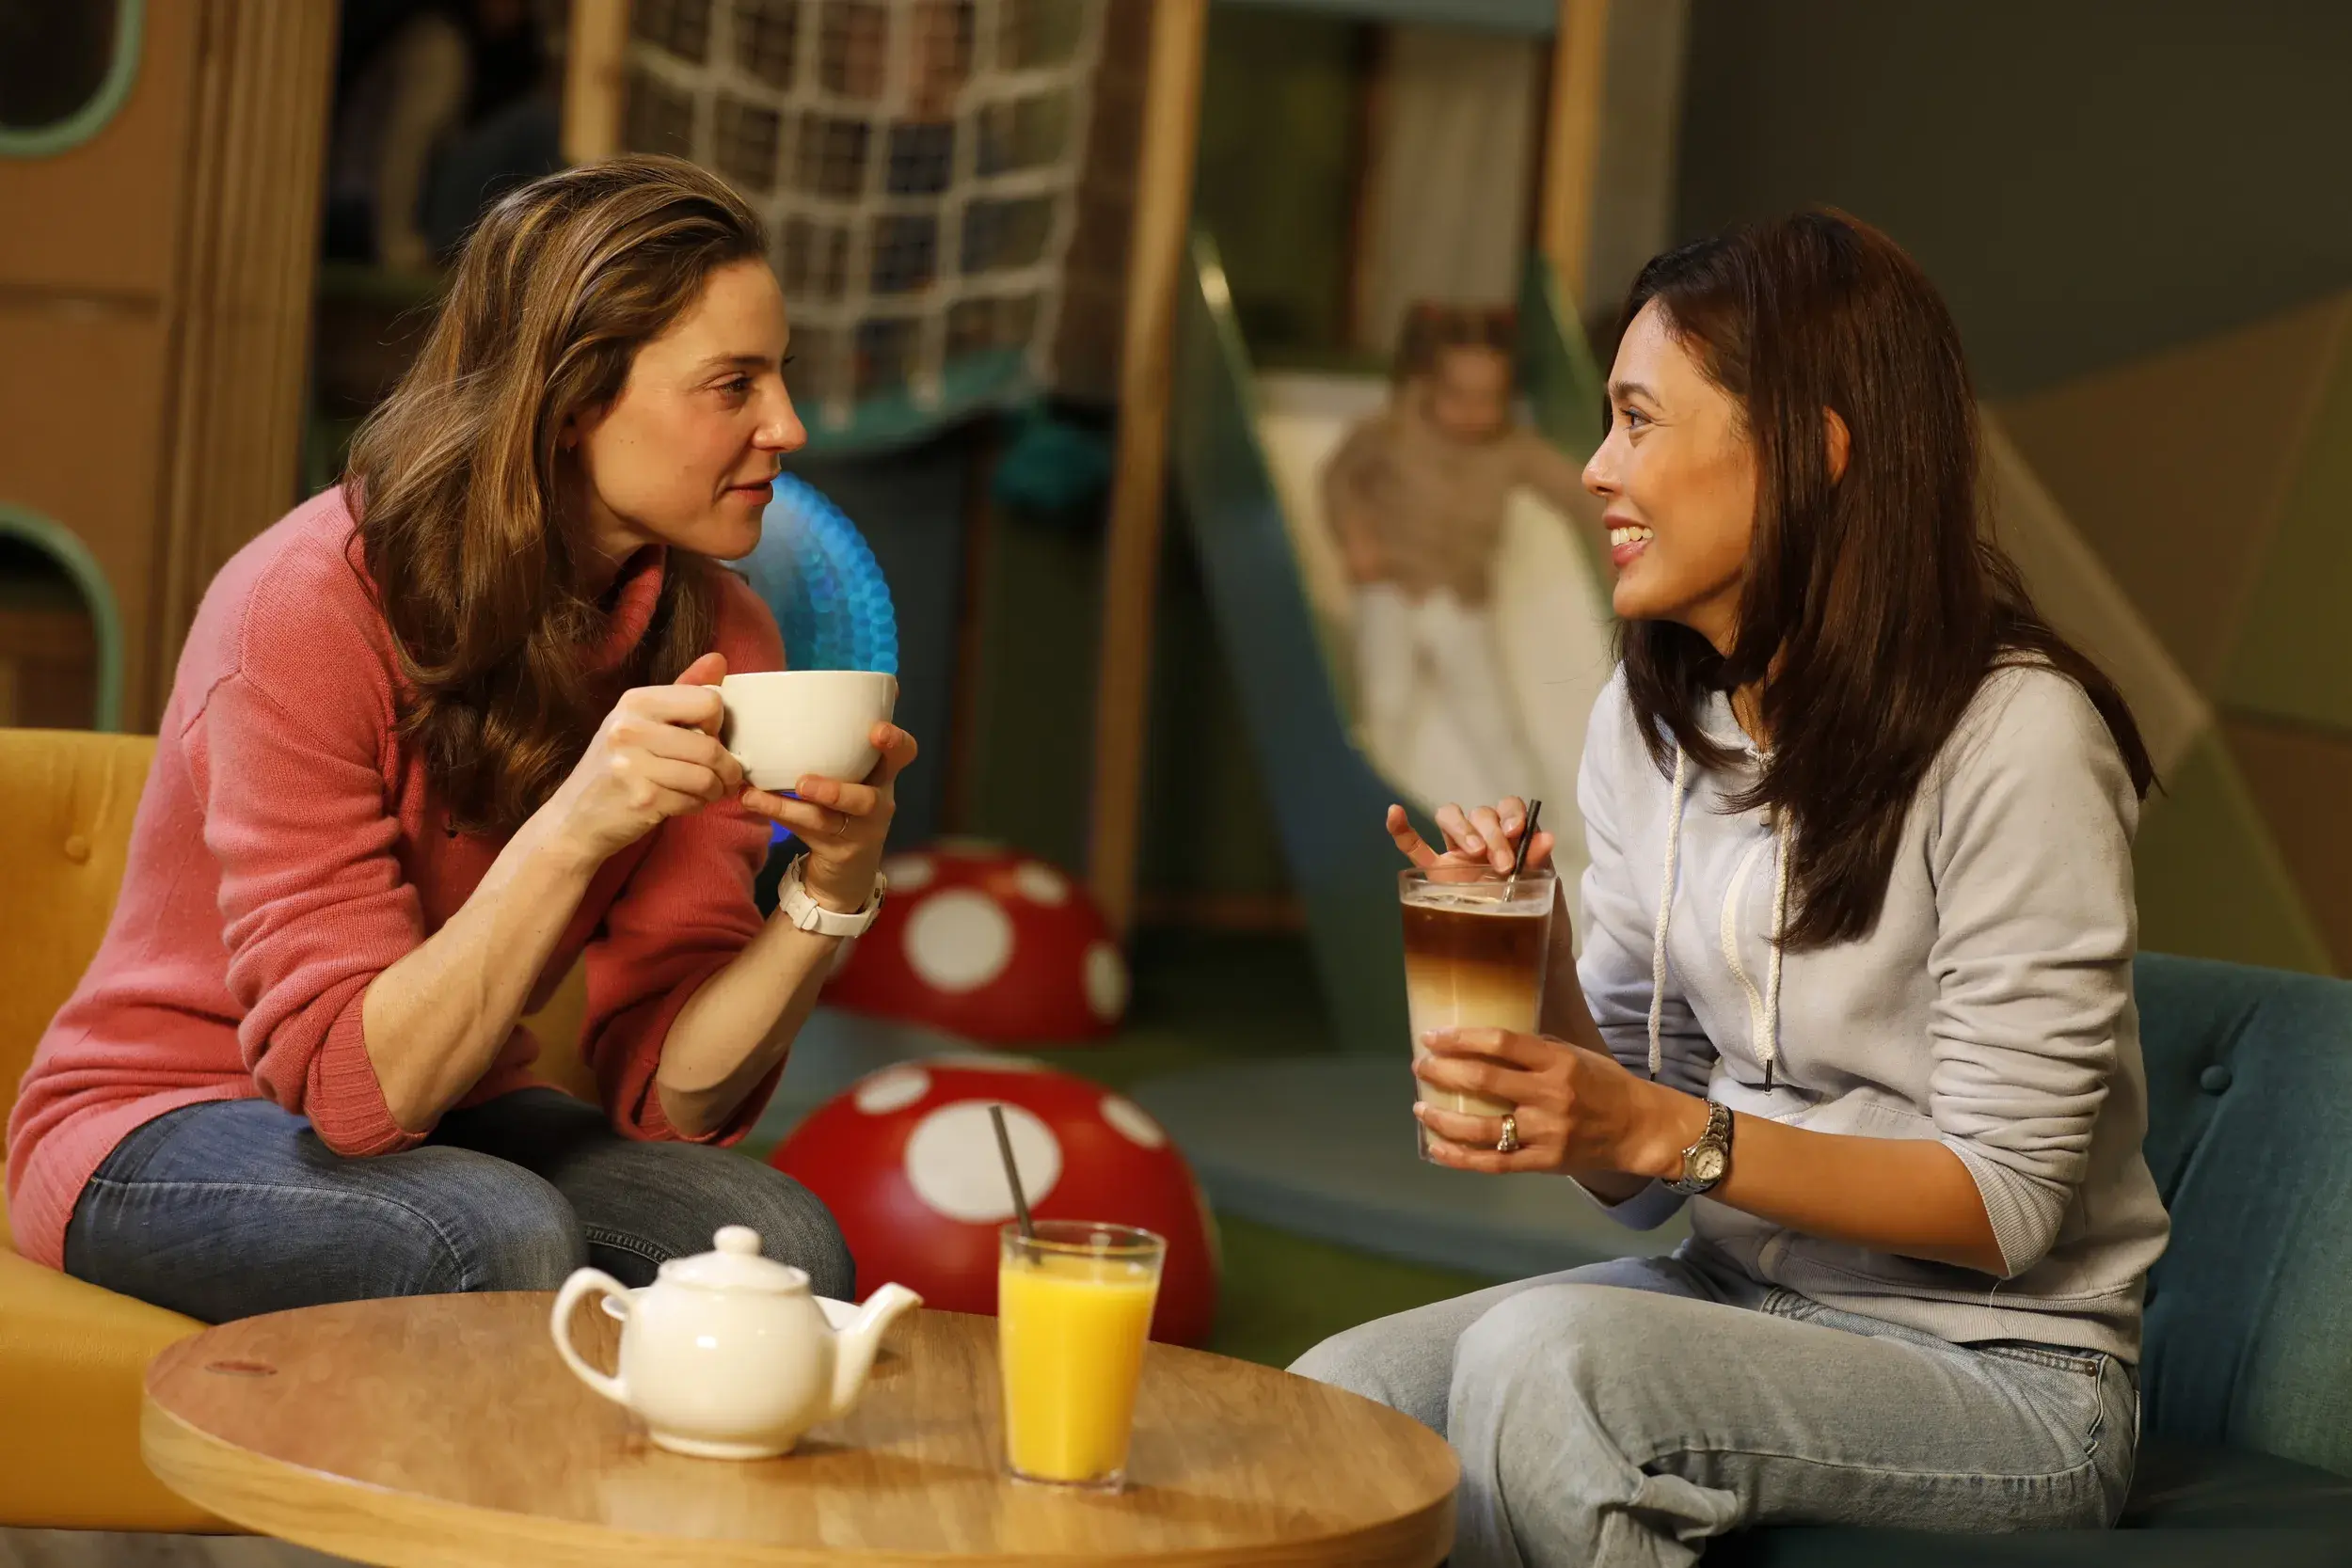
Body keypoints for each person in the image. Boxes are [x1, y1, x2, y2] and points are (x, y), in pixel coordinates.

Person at [1293, 211, 2168, 1565]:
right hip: (1731, 1292)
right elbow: (1630, 1186)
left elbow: (2008, 1203)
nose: (1594, 469)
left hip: (2011, 1372)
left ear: (1817, 450)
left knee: (1549, 1355)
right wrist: (1540, 954)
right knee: (1337, 1406)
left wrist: (1669, 1131)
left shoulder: (2021, 736)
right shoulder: (1645, 728)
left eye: (1639, 420)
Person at [6, 156, 913, 1323]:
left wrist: (827, 896)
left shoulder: (721, 626)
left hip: (456, 1110)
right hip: (159, 1121)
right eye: (731, 383)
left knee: (774, 1248)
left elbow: (670, 1090)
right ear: (574, 398)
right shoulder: (306, 602)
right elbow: (349, 1089)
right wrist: (577, 825)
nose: (787, 425)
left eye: (779, 377)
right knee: (491, 1233)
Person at [1322, 304, 1593, 809]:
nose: (1473, 413)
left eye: (1489, 399)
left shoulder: (1511, 448)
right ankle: (1376, 808)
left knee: (1490, 716)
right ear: (1428, 385)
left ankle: (1531, 820)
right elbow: (1340, 481)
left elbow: (1573, 490)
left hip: (1461, 600)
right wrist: (1356, 537)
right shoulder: (1393, 429)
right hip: (1391, 584)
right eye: (1459, 397)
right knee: (1386, 702)